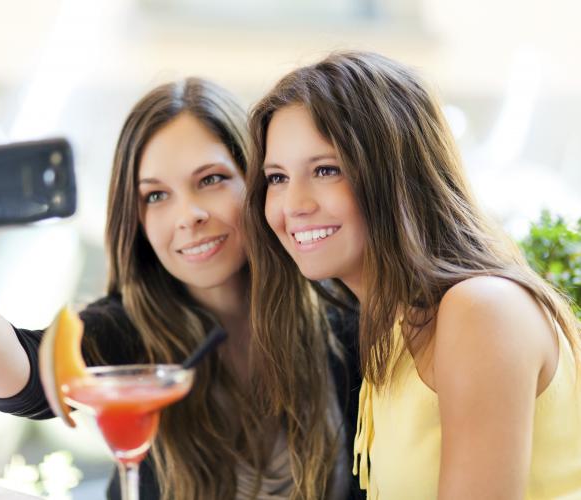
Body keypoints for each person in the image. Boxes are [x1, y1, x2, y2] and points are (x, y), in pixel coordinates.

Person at [0, 77, 360, 500]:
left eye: (210, 180)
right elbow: (24, 376)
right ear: (138, 219)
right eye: (156, 196)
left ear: (255, 181)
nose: (187, 215)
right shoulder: (128, 331)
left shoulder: (342, 315)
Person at [243, 51, 581, 499]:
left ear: (397, 174)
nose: (293, 204)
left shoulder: (480, 309)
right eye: (277, 177)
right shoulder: (392, 329)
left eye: (326, 170)